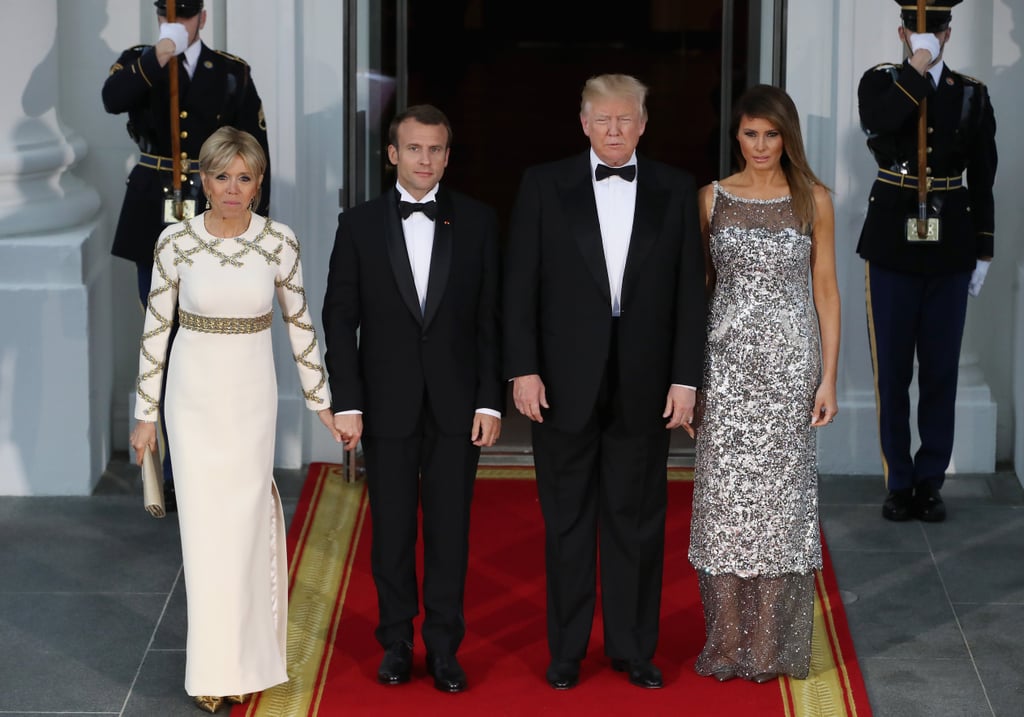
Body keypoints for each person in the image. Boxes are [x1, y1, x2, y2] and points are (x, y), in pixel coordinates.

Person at [504, 74, 706, 690]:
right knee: (566, 524)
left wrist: (684, 379)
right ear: (584, 122)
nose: (615, 130)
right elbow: (520, 285)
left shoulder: (675, 189)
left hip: (646, 383)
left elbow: (690, 296)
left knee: (638, 521)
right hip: (561, 382)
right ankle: (567, 650)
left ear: (644, 124)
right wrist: (523, 367)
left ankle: (633, 648)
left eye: (627, 119)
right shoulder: (543, 184)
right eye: (604, 119)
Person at [129, 127, 337, 713]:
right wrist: (146, 414)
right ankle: (213, 671)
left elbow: (301, 326)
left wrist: (322, 402)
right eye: (221, 176)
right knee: (202, 537)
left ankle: (245, 662)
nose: (231, 188)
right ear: (204, 178)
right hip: (192, 402)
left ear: (259, 183)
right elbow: (154, 332)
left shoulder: (280, 243)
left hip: (251, 400)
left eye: (244, 177)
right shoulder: (175, 242)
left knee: (244, 532)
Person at [321, 105, 503, 694]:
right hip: (385, 403)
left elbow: (489, 321)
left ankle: (446, 648)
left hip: (457, 408)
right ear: (393, 154)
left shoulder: (478, 222)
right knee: (392, 531)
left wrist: (489, 401)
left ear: (448, 156)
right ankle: (396, 642)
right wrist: (346, 400)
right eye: (415, 148)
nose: (426, 160)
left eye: (437, 149)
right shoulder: (359, 224)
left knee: (451, 532)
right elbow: (339, 316)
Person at [688, 84, 840, 684]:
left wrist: (828, 379)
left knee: (780, 510)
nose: (759, 146)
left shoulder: (814, 200)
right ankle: (726, 644)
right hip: (725, 371)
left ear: (787, 137)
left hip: (789, 371)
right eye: (750, 134)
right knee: (725, 508)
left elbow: (825, 292)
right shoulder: (710, 199)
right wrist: (691, 383)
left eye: (770, 135)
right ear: (737, 136)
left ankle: (771, 647)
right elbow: (698, 294)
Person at [104, 0, 271, 511]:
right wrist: (161, 53)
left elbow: (254, 149)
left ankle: (210, 461)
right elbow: (113, 99)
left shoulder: (231, 72)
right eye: (166, 10)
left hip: (215, 212)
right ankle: (171, 473)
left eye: (186, 10)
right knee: (164, 343)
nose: (176, 18)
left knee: (210, 343)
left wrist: (256, 231)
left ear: (203, 15)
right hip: (154, 213)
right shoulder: (141, 60)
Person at [858, 0, 997, 523]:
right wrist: (915, 70)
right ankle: (898, 481)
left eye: (935, 31)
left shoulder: (971, 93)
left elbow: (983, 174)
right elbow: (880, 122)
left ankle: (930, 481)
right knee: (893, 371)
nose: (927, 38)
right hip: (892, 241)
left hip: (950, 243)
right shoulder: (881, 82)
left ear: (948, 34)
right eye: (917, 32)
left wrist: (984, 248)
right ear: (901, 32)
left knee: (940, 370)